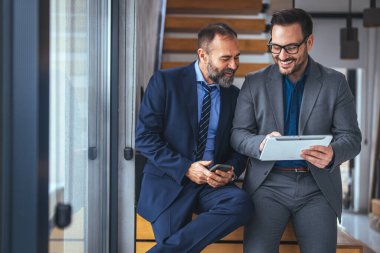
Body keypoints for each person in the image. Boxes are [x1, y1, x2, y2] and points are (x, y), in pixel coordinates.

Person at [231, 8, 362, 253]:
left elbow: (352, 138)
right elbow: (238, 134)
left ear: (309, 42)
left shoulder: (335, 82)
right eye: (275, 46)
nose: (282, 55)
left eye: (291, 47)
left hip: (317, 186)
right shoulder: (254, 82)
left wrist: (333, 152)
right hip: (267, 185)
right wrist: (260, 143)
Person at [136, 23, 253, 253]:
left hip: (211, 185)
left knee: (242, 204)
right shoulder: (165, 82)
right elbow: (145, 137)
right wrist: (186, 168)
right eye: (226, 58)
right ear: (203, 55)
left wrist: (230, 170)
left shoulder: (234, 95)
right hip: (170, 182)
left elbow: (238, 147)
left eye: (237, 57)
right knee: (173, 240)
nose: (234, 65)